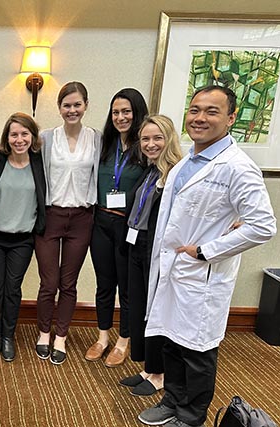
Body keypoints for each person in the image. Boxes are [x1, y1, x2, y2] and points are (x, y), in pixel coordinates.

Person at [139, 86, 276, 427]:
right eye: (195, 109)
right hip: (174, 270)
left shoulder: (237, 167)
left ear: (231, 119)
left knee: (197, 350)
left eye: (212, 111)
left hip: (202, 275)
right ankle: (171, 400)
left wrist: (206, 251)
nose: (200, 118)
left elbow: (263, 225)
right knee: (170, 340)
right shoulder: (188, 159)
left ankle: (190, 415)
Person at [35, 82, 101, 365]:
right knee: (49, 282)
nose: (72, 110)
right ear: (59, 108)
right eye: (66, 105)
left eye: (77, 104)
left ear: (86, 105)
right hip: (51, 216)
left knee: (68, 283)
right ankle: (44, 332)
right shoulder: (46, 137)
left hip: (82, 218)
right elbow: (18, 148)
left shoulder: (97, 139)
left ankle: (61, 335)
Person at [120, 115, 181, 397]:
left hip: (157, 249)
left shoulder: (178, 174)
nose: (150, 144)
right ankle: (147, 367)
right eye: (145, 139)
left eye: (157, 138)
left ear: (169, 139)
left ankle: (159, 373)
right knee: (138, 306)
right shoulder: (151, 171)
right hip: (137, 244)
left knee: (155, 310)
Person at [86, 88, 148, 367]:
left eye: (126, 112)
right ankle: (102, 338)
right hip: (101, 221)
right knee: (103, 284)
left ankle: (123, 341)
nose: (120, 117)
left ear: (137, 114)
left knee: (126, 288)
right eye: (115, 112)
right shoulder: (105, 145)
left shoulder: (145, 148)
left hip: (128, 225)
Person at [0, 112, 46, 362]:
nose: (19, 139)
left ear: (32, 136)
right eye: (14, 134)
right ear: (7, 138)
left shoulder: (40, 163)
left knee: (13, 288)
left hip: (23, 239)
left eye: (24, 134)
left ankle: (8, 336)